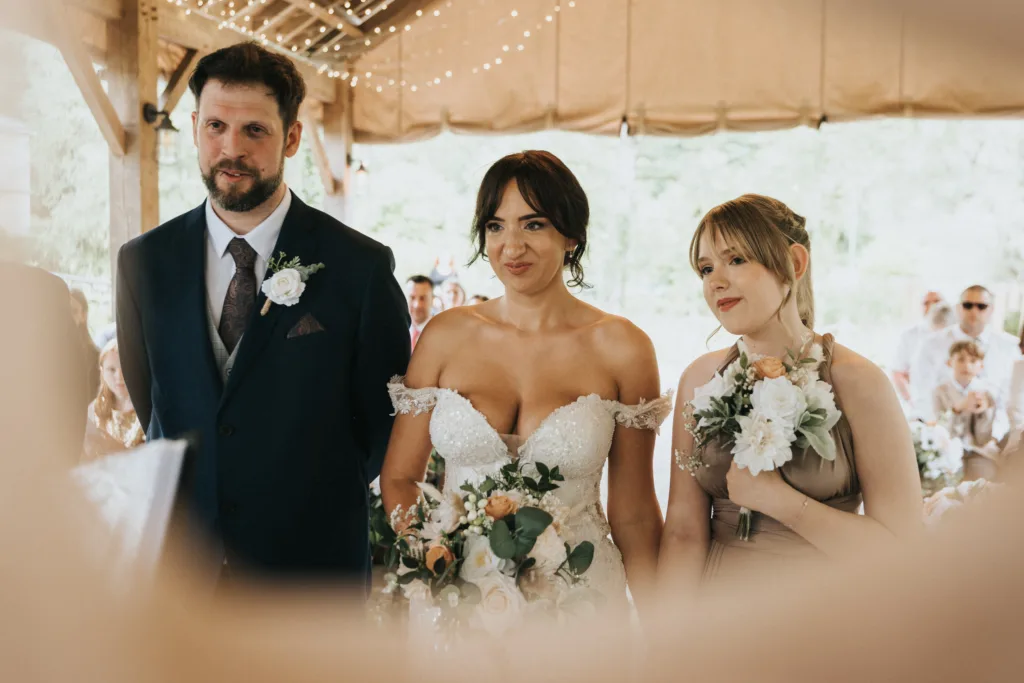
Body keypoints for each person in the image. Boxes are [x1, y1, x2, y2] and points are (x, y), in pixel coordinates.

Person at [115, 42, 410, 586]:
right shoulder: (143, 263)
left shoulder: (359, 267)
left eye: (255, 130)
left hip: (311, 572)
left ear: (292, 137)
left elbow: (382, 423)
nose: (232, 149)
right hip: (181, 574)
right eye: (216, 127)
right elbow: (151, 395)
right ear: (197, 126)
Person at [380, 150, 670, 615]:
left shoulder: (624, 348)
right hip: (458, 601)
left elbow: (634, 513)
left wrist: (664, 628)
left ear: (571, 234)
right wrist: (431, 555)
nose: (511, 247)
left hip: (582, 600)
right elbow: (399, 476)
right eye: (496, 226)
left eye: (533, 225)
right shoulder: (444, 336)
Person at [660, 194, 922, 590]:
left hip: (821, 617)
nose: (716, 281)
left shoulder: (859, 382)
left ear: (794, 263)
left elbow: (904, 553)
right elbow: (683, 532)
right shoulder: (699, 379)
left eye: (736, 260)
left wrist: (784, 503)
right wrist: (668, 641)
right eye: (705, 268)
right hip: (716, 618)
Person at [910, 285, 1022, 418]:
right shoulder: (932, 344)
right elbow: (921, 392)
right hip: (945, 426)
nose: (974, 311)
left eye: (981, 306)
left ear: (991, 309)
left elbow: (1016, 396)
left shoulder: (1009, 346)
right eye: (968, 305)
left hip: (997, 429)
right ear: (958, 308)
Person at [932, 341, 999, 481]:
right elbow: (941, 431)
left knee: (984, 477)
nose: (967, 366)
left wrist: (984, 412)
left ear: (981, 366)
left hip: (978, 452)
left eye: (973, 361)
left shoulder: (987, 393)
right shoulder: (940, 391)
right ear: (950, 362)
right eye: (961, 359)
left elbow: (983, 438)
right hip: (946, 453)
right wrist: (958, 408)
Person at [82, 339, 145, 463]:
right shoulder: (94, 410)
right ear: (102, 371)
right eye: (111, 369)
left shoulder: (148, 411)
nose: (119, 377)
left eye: (126, 368)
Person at [890, 290, 943, 402]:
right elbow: (898, 373)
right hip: (919, 402)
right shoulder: (909, 335)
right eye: (926, 303)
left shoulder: (955, 334)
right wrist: (911, 400)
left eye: (937, 301)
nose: (932, 306)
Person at [69, 288, 101, 404]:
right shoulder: (48, 353)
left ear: (84, 315)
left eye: (74, 311)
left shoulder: (95, 356)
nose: (69, 317)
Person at [405, 275, 433, 351]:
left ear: (432, 300)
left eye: (423, 298)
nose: (417, 305)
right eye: (412, 297)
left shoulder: (442, 333)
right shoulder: (396, 332)